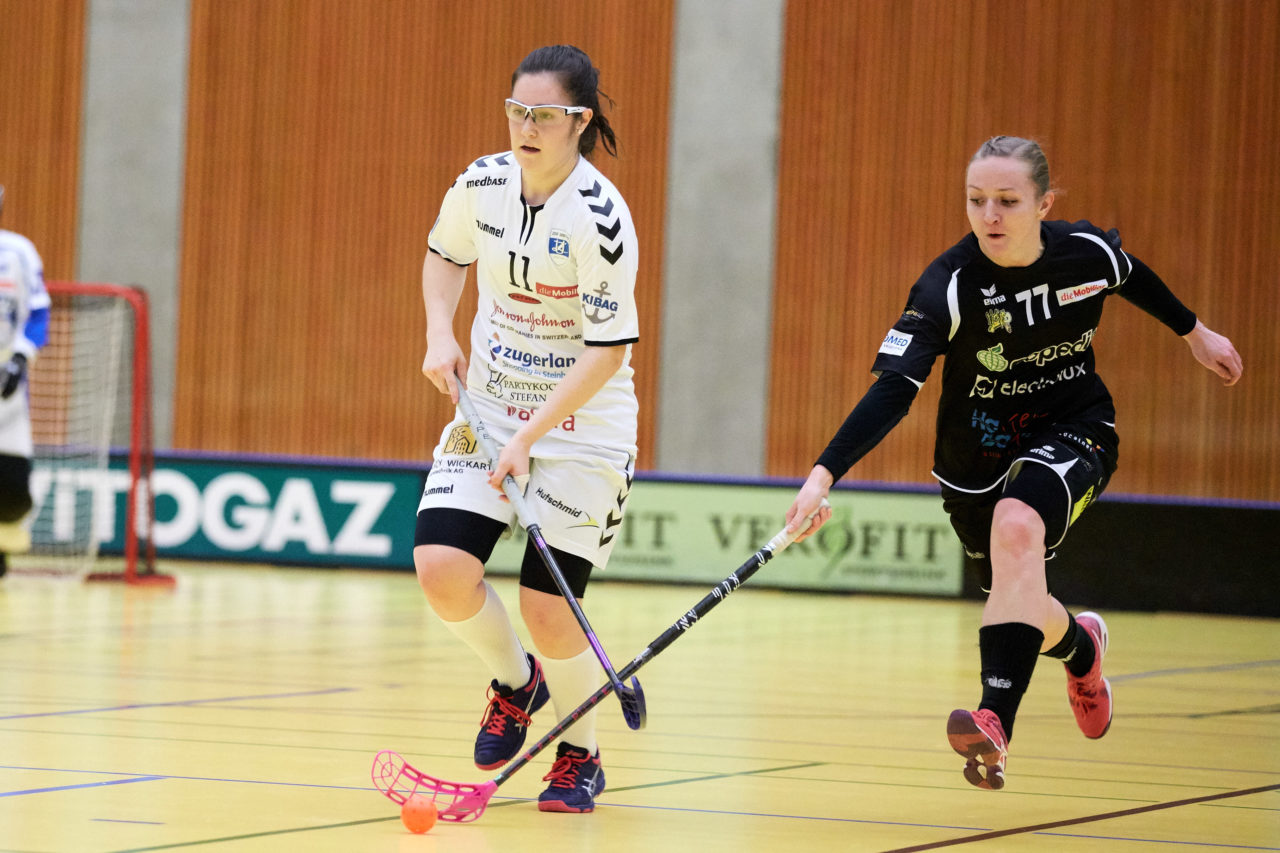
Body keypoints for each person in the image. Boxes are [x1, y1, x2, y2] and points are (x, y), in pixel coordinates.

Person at [784, 136, 1243, 791]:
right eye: (976, 201)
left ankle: (994, 721)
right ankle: (1081, 648)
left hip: (1075, 428)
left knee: (1018, 525)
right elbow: (894, 388)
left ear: (1043, 203)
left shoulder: (1083, 254)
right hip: (974, 456)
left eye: (1007, 200)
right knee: (1020, 594)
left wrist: (1195, 333)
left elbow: (1129, 273)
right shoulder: (950, 285)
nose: (989, 215)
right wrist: (822, 474)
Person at [414, 45, 639, 813]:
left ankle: (581, 753)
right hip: (491, 408)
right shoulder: (481, 183)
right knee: (443, 567)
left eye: (544, 114)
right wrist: (440, 331)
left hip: (582, 426)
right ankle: (518, 681)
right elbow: (445, 255)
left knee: (549, 604)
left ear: (579, 122)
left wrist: (529, 436)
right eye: (518, 111)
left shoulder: (601, 219)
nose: (526, 126)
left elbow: (609, 352)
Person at [0, 185, 51, 578]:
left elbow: (37, 314)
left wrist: (19, 358)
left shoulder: (18, 251)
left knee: (13, 494)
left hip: (6, 384)